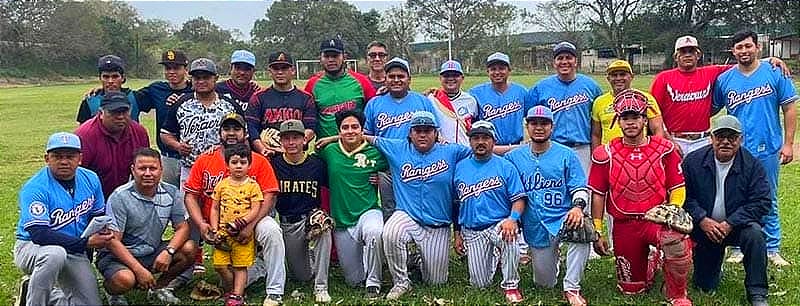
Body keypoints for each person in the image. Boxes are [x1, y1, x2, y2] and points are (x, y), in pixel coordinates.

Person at [588, 91, 692, 306]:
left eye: (636, 117)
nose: (631, 122)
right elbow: (598, 194)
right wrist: (597, 228)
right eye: (625, 118)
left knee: (677, 242)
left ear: (645, 119)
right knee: (632, 290)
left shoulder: (665, 149)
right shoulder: (604, 153)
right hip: (624, 224)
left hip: (655, 221)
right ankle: (652, 263)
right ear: (618, 121)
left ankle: (677, 293)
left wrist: (672, 209)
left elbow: (677, 186)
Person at [712, 30, 798, 267]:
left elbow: (789, 108)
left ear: (757, 47)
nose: (744, 51)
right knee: (737, 197)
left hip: (768, 146)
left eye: (748, 46)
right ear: (733, 51)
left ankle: (772, 247)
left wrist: (788, 144)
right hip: (736, 149)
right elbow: (711, 107)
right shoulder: (725, 79)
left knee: (767, 196)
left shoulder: (774, 71)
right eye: (739, 47)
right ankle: (739, 246)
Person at [183, 113, 285, 306]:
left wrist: (249, 226)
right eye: (226, 129)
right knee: (226, 275)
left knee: (271, 230)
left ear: (245, 133)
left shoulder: (258, 161)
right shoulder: (205, 160)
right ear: (219, 132)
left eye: (236, 129)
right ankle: (182, 278)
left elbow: (269, 197)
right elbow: (190, 196)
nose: (231, 133)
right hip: (218, 227)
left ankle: (274, 291)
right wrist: (203, 225)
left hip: (251, 221)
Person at [368, 111, 471, 300]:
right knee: (391, 232)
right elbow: (365, 138)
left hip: (437, 224)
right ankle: (401, 282)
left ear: (436, 133)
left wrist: (517, 149)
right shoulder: (397, 148)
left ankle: (414, 260)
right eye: (418, 130)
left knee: (436, 281)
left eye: (428, 130)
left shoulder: (452, 151)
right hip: (407, 215)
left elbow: (482, 151)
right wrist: (329, 140)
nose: (422, 134)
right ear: (410, 133)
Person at [504, 106, 592, 306]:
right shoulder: (514, 157)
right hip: (535, 224)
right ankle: (554, 262)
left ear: (552, 127)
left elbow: (579, 186)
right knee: (545, 283)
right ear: (527, 127)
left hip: (563, 218)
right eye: (534, 123)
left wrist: (578, 207)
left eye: (544, 123)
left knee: (583, 231)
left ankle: (572, 287)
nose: (539, 127)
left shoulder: (566, 154)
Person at [14, 132, 112, 306]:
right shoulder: (35, 187)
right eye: (57, 156)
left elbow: (96, 217)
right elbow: (39, 234)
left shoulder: (90, 178)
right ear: (47, 158)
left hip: (74, 249)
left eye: (70, 156)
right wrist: (85, 243)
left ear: (80, 158)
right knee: (54, 254)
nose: (64, 161)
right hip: (33, 248)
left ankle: (38, 291)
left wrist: (95, 241)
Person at [682, 115, 771, 306]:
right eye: (720, 136)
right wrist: (702, 219)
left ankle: (757, 293)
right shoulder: (692, 162)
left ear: (740, 139)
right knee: (704, 285)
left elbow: (762, 201)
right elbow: (684, 197)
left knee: (755, 235)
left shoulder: (752, 165)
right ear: (711, 138)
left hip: (738, 226)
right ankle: (711, 269)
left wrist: (731, 223)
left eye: (732, 137)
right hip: (705, 228)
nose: (725, 141)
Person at [650, 35, 790, 155]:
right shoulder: (663, 78)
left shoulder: (710, 73)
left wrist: (768, 60)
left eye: (691, 51)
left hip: (702, 140)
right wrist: (669, 140)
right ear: (676, 56)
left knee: (704, 184)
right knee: (676, 184)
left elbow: (742, 65)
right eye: (683, 51)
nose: (687, 55)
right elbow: (654, 114)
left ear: (698, 55)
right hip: (676, 139)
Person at [97, 148, 196, 305]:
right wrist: (138, 270)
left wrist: (168, 252)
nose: (148, 173)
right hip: (118, 255)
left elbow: (183, 227)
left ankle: (159, 287)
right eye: (142, 168)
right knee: (125, 279)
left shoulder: (171, 192)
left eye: (153, 168)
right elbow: (113, 241)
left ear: (161, 169)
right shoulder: (120, 196)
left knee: (189, 248)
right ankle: (112, 292)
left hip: (150, 250)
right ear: (133, 170)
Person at [315, 110, 387, 300]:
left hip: (368, 210)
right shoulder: (329, 151)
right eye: (345, 127)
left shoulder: (376, 152)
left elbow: (394, 169)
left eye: (355, 126)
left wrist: (382, 178)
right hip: (342, 219)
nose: (350, 131)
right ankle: (370, 264)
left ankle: (374, 283)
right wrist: (331, 139)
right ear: (338, 131)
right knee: (354, 280)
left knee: (374, 231)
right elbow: (315, 152)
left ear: (362, 129)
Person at [453, 120, 526, 304]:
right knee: (480, 284)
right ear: (470, 142)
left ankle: (511, 285)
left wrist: (513, 219)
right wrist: (457, 233)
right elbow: (455, 203)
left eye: (485, 137)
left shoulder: (505, 166)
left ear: (493, 141)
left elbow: (519, 199)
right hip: (472, 229)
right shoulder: (460, 167)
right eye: (476, 138)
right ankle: (493, 259)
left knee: (509, 237)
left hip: (498, 224)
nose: (480, 142)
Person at [363, 57, 434, 219]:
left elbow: (435, 134)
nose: (396, 80)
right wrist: (372, 167)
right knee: (389, 208)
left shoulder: (422, 102)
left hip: (417, 165)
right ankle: (392, 243)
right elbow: (366, 138)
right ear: (385, 80)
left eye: (401, 76)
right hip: (386, 166)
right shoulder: (374, 103)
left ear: (409, 79)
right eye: (392, 76)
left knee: (418, 206)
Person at [270, 120, 332, 303]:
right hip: (288, 222)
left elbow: (335, 185)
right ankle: (310, 258)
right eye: (286, 138)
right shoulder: (274, 164)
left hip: (312, 218)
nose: (291, 143)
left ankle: (321, 287)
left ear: (304, 139)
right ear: (281, 141)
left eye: (295, 138)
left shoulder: (317, 164)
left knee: (324, 227)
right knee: (302, 276)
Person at [160, 57, 243, 188]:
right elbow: (165, 133)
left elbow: (245, 137)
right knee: (188, 207)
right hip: (190, 169)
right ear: (191, 79)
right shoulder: (181, 104)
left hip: (224, 170)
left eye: (206, 77)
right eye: (197, 78)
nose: (201, 81)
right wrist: (177, 146)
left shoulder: (230, 105)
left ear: (216, 78)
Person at [528, 42, 602, 173]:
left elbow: (598, 118)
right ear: (554, 62)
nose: (564, 62)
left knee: (583, 190)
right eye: (560, 58)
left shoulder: (591, 86)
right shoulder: (540, 88)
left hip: (582, 148)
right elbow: (530, 119)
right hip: (551, 147)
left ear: (576, 61)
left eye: (568, 57)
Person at [210, 143, 264, 306]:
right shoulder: (222, 185)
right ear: (227, 165)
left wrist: (244, 222)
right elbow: (214, 208)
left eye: (243, 162)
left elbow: (256, 207)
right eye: (234, 162)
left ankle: (237, 295)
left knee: (241, 266)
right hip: (223, 233)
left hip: (241, 233)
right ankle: (230, 290)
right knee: (220, 264)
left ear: (249, 164)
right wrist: (214, 229)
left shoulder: (252, 185)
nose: (239, 166)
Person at [75, 91, 150, 198]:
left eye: (124, 112)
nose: (120, 117)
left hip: (126, 196)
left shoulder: (139, 132)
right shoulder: (85, 136)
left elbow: (144, 167)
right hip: (92, 196)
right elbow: (77, 176)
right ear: (101, 113)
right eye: (114, 112)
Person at [137, 49, 195, 187]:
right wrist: (103, 90)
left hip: (192, 156)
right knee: (168, 198)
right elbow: (130, 99)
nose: (172, 72)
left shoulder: (196, 89)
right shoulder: (156, 90)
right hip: (168, 156)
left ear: (185, 69)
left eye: (176, 68)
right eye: (168, 68)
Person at [247, 51, 316, 156]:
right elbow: (252, 128)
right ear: (270, 72)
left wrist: (295, 145)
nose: (280, 72)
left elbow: (310, 127)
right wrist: (262, 149)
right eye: (276, 69)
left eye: (284, 68)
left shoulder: (306, 98)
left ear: (293, 70)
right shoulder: (258, 97)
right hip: (268, 155)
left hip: (296, 155)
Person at [304, 38, 376, 138]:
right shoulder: (312, 84)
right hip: (326, 148)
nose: (331, 60)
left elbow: (375, 111)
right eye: (326, 56)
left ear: (344, 57)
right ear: (320, 58)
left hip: (356, 145)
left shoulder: (361, 81)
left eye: (335, 56)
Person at [591, 59, 665, 148]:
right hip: (610, 152)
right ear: (608, 78)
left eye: (623, 74)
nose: (618, 78)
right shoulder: (599, 102)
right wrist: (596, 155)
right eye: (614, 75)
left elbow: (657, 129)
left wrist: (655, 151)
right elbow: (596, 134)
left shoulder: (645, 98)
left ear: (631, 77)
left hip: (639, 152)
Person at [469, 52, 531, 153]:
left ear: (509, 70)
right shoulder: (476, 93)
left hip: (516, 147)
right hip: (488, 149)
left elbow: (532, 118)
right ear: (487, 71)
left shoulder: (521, 92)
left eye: (501, 68)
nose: (497, 72)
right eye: (493, 69)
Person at [76, 55, 141, 123]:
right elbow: (83, 131)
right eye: (106, 77)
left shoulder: (135, 98)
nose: (110, 81)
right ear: (100, 78)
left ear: (123, 78)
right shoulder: (90, 101)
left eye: (115, 76)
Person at [427, 59, 478, 146]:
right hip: (442, 150)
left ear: (462, 78)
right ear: (440, 78)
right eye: (446, 75)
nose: (450, 78)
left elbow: (474, 125)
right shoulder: (431, 99)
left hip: (465, 150)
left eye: (455, 75)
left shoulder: (470, 100)